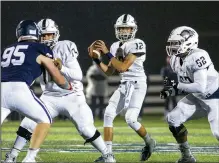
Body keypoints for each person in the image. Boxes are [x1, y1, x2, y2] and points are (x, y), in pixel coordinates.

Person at [4, 18, 115, 163]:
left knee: (86, 129)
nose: (46, 38)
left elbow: (77, 75)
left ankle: (108, 155)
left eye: (49, 35)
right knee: (28, 124)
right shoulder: (35, 48)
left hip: (72, 95)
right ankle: (15, 157)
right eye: (43, 35)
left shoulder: (64, 46)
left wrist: (61, 67)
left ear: (56, 34)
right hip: (49, 96)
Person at [88, 14, 156, 162]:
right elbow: (109, 72)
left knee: (131, 119)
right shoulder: (114, 46)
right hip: (124, 85)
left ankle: (150, 142)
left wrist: (106, 53)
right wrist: (96, 59)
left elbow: (124, 67)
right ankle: (108, 155)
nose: (124, 31)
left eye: (127, 28)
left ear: (133, 29)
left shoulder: (138, 43)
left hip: (138, 85)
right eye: (121, 28)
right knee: (108, 114)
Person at [1, 20, 71, 162]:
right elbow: (56, 76)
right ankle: (30, 158)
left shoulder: (7, 49)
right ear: (37, 33)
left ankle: (10, 159)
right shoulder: (40, 48)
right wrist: (67, 86)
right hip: (19, 88)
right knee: (44, 120)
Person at [160, 26, 219, 163]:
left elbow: (200, 86)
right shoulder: (175, 59)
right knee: (173, 119)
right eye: (172, 43)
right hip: (198, 98)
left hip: (215, 96)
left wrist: (176, 87)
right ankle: (187, 157)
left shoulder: (199, 55)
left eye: (177, 43)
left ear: (190, 42)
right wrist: (172, 89)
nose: (172, 46)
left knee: (217, 133)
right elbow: (187, 84)